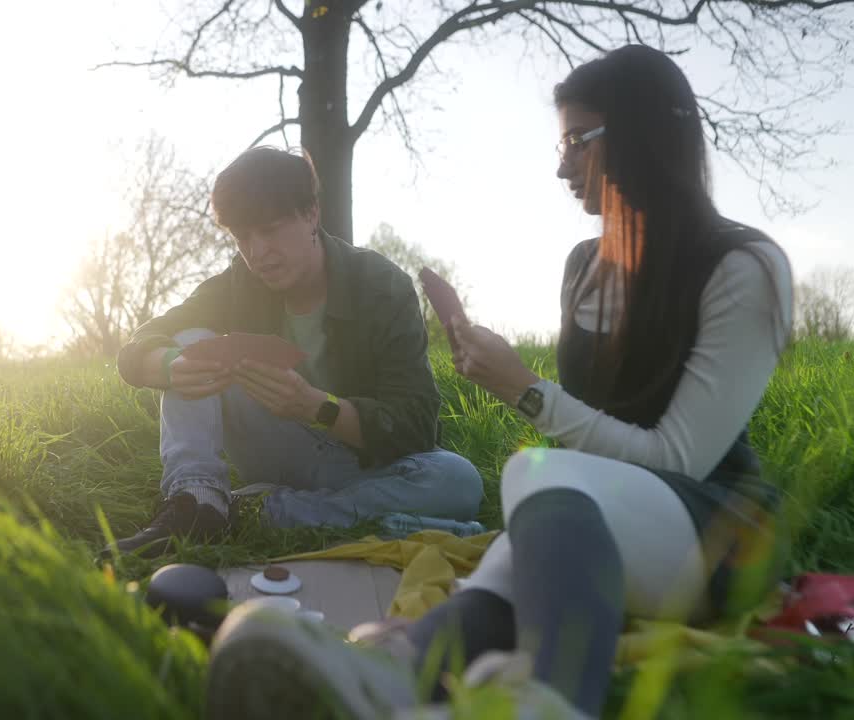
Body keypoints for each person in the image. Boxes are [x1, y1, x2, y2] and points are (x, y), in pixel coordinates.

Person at [203, 44, 793, 720]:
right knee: (520, 552)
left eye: (577, 140)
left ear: (639, 132)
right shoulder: (584, 266)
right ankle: (395, 671)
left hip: (721, 531)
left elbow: (680, 460)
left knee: (535, 479)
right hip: (604, 517)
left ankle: (547, 701)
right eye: (560, 143)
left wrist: (525, 390)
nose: (562, 163)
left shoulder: (744, 267)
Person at [110, 146, 483, 556]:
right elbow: (140, 345)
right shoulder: (236, 285)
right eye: (242, 237)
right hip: (276, 449)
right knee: (189, 342)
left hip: (363, 464)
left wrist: (317, 406)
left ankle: (257, 512)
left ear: (311, 214)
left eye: (269, 229)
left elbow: (416, 425)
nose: (257, 253)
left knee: (458, 479)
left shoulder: (381, 285)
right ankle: (196, 502)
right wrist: (168, 367)